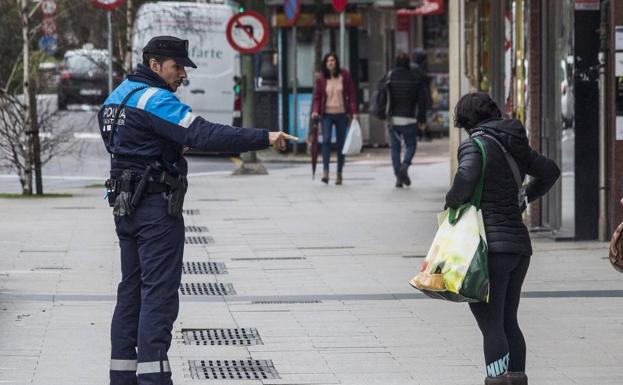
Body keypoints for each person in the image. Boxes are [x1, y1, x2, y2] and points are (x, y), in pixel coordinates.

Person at [98, 36, 295, 385]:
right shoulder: (155, 99)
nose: (182, 76)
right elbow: (204, 134)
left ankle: (122, 378)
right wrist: (264, 137)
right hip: (155, 209)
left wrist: (167, 148)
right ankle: (154, 380)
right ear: (155, 65)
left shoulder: (117, 96)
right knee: (158, 295)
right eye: (177, 67)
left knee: (130, 292)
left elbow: (129, 146)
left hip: (125, 207)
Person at [446, 92, 560, 385]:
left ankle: (496, 381)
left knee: (491, 324)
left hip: (490, 249)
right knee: (509, 321)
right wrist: (525, 197)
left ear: (466, 120)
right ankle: (517, 379)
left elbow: (466, 177)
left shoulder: (474, 144)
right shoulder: (514, 142)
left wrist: (452, 201)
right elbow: (550, 171)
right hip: (518, 248)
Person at [311, 52, 358, 185]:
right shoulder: (321, 78)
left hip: (341, 114)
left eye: (332, 60)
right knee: (325, 141)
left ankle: (339, 173)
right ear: (325, 64)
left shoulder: (345, 75)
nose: (330, 63)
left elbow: (352, 94)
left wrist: (354, 112)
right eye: (328, 61)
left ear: (336, 62)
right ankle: (325, 172)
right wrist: (315, 111)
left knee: (341, 144)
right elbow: (317, 97)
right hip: (326, 114)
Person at [383, 52, 428, 188]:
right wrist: (421, 118)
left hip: (393, 119)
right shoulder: (415, 77)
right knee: (411, 145)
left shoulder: (390, 76)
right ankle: (405, 165)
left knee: (395, 149)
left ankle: (398, 176)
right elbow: (421, 101)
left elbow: (383, 95)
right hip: (410, 118)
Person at [411, 48, 432, 141]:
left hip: (419, 94)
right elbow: (425, 78)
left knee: (420, 114)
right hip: (420, 94)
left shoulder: (415, 67)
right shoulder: (417, 68)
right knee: (421, 114)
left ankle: (421, 133)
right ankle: (421, 133)